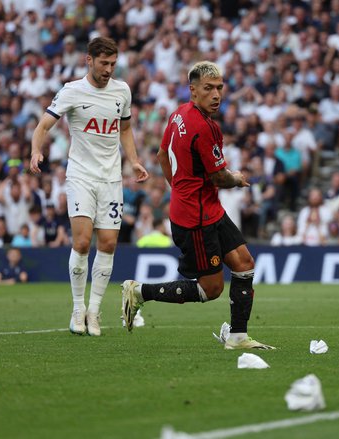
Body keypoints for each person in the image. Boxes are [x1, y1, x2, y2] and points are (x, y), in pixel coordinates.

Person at [121, 61, 274, 350]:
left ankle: (238, 337)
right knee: (211, 288)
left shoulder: (179, 114)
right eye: (208, 88)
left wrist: (179, 188)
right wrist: (237, 179)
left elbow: (161, 155)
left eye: (219, 88)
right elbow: (218, 176)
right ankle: (139, 292)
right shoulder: (205, 128)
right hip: (196, 219)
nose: (216, 94)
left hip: (207, 210)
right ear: (193, 90)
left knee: (244, 263)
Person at [30, 37, 149, 337]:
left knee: (107, 244)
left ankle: (95, 312)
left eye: (113, 64)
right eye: (103, 63)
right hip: (81, 175)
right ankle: (78, 309)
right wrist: (36, 150)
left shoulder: (122, 91)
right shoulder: (72, 91)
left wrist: (133, 160)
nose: (109, 69)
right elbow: (43, 125)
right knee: (82, 242)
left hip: (111, 178)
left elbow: (125, 129)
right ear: (89, 60)